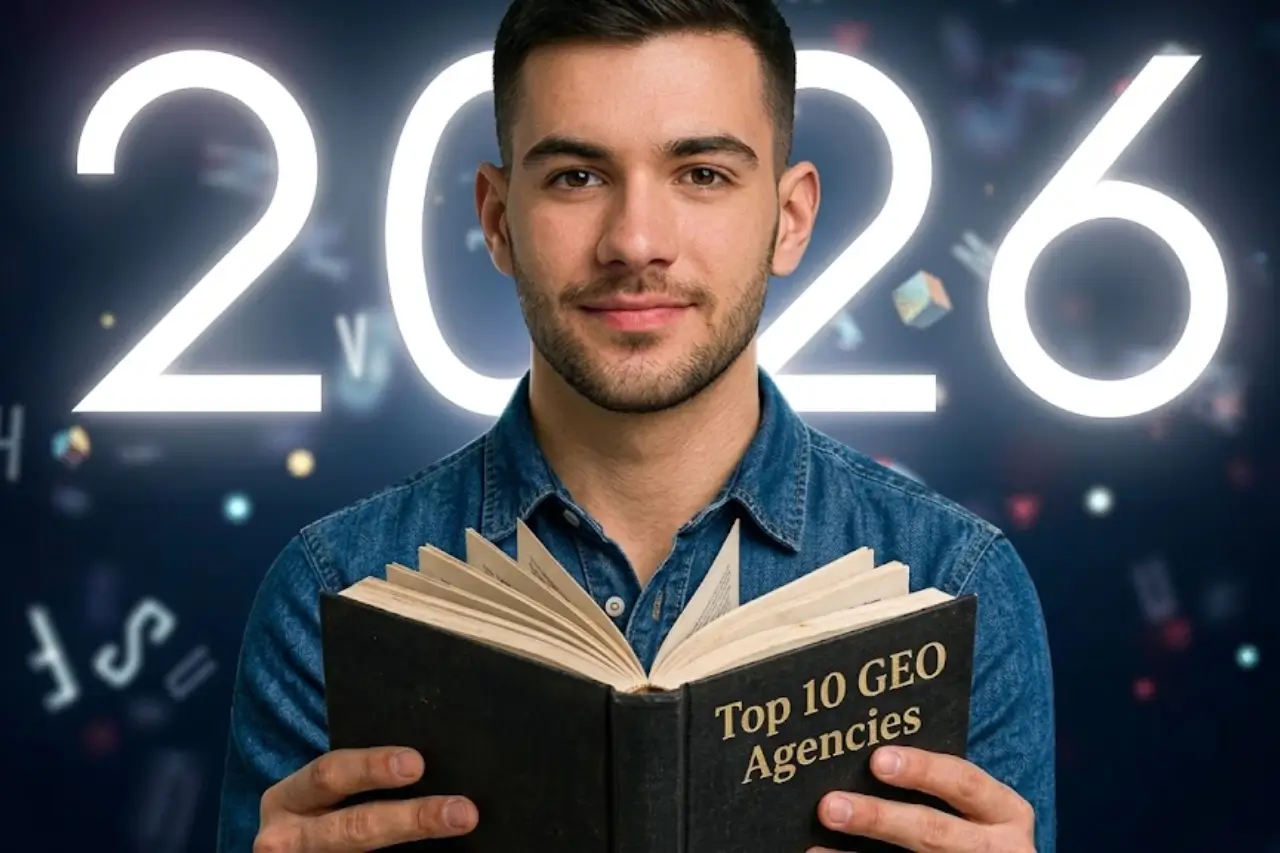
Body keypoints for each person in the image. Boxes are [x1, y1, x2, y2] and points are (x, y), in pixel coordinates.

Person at [216, 0, 1056, 850]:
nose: (636, 241)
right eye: (577, 177)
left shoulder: (957, 584)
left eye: (702, 174)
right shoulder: (333, 590)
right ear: (499, 221)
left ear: (791, 219)